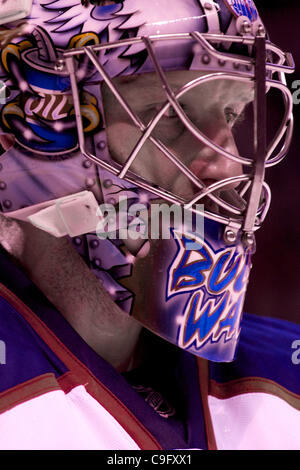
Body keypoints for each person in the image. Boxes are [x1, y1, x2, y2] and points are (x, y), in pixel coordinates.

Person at [0, 0, 299, 450]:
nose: (225, 164)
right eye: (171, 115)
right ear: (36, 132)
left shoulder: (286, 375)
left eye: (233, 114)